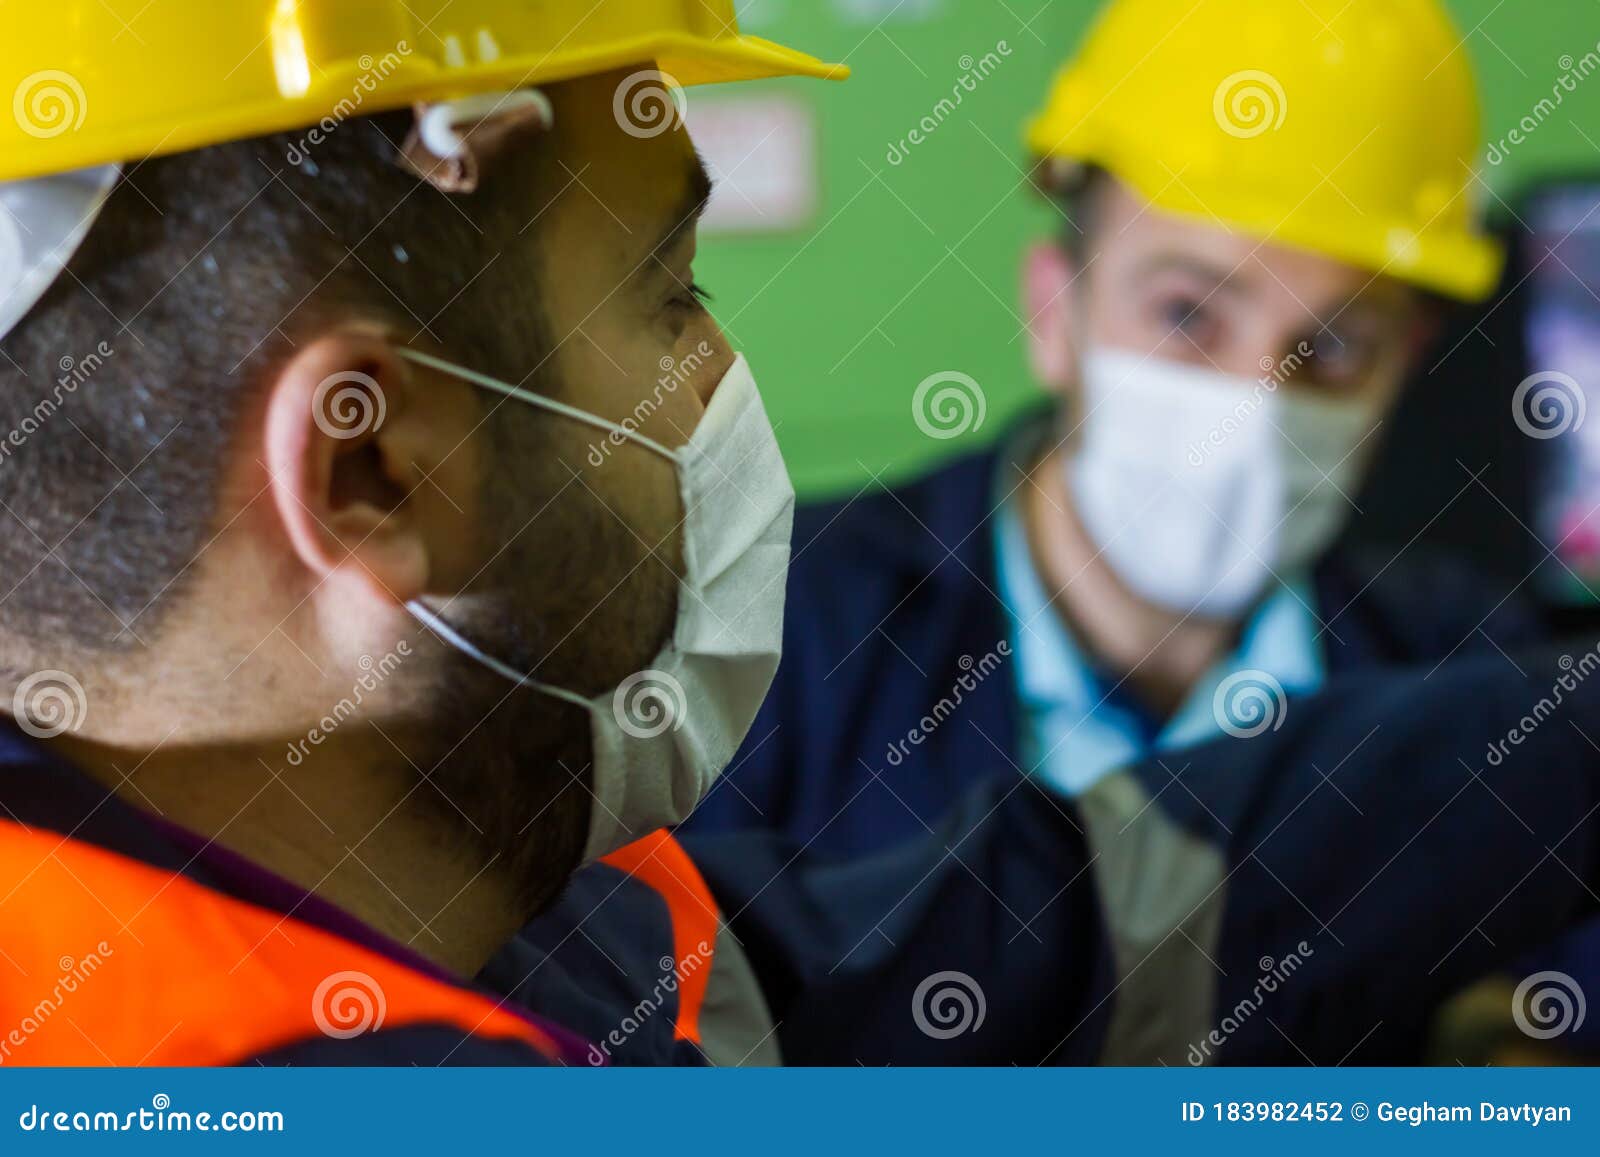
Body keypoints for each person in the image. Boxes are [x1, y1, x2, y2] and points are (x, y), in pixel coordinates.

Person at [3, 0, 1600, 1070]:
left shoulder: (525, 937)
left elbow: (1045, 920)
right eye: (664, 297)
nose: (720, 377)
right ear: (369, 476)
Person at [685, 0, 1540, 855]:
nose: (1257, 398)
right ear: (1056, 308)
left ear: (1408, 362)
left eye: (1336, 344)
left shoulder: (1481, 690)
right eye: (1186, 313)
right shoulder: (774, 644)